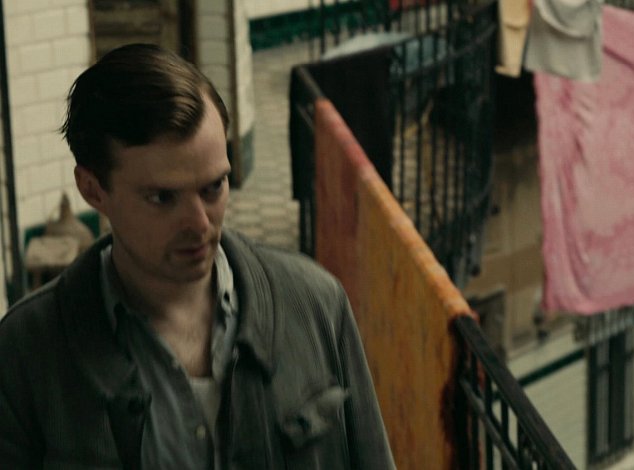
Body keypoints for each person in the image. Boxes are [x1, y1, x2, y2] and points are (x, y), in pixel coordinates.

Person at [0, 43, 395, 469]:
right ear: (93, 190)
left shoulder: (317, 302)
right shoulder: (25, 351)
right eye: (162, 197)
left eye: (213, 188)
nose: (199, 224)